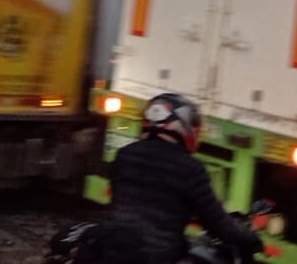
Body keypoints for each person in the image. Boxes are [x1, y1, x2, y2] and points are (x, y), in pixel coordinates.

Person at [109, 93, 265, 263]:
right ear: (184, 126)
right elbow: (218, 225)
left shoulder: (124, 155)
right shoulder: (190, 168)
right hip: (157, 257)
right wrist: (252, 240)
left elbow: (144, 201)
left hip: (111, 251)